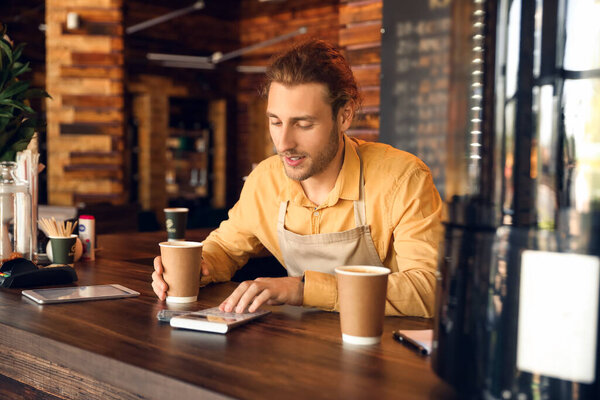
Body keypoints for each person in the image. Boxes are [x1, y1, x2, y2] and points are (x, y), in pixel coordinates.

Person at [152, 39, 442, 317]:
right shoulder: (265, 180)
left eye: (303, 124)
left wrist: (303, 289)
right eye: (275, 122)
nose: (284, 143)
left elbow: (429, 289)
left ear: (344, 116)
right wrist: (200, 266)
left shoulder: (403, 178)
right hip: (299, 349)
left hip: (379, 350)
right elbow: (226, 248)